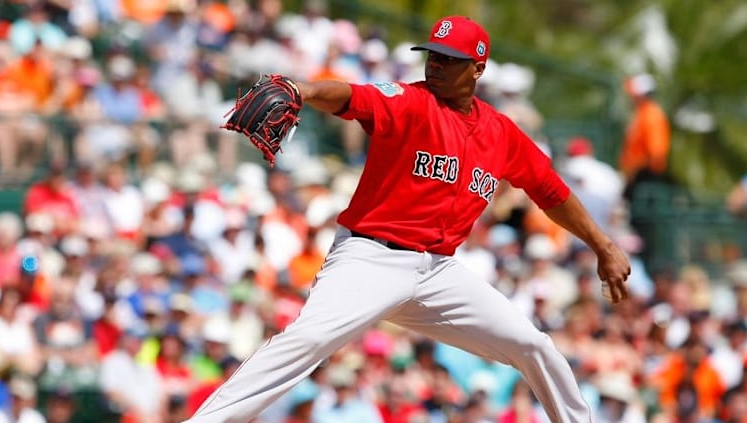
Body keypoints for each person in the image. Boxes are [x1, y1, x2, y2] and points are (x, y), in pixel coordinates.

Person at [183, 15, 631, 423]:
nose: (436, 64)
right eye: (433, 55)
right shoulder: (410, 103)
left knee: (533, 346)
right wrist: (304, 90)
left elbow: (551, 192)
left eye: (450, 59)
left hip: (438, 273)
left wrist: (603, 245)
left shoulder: (501, 133)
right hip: (370, 257)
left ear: (478, 68)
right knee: (309, 339)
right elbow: (352, 97)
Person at [618, 73, 671, 201]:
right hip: (637, 178)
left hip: (645, 179)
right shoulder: (642, 114)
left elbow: (656, 155)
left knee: (642, 219)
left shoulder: (652, 115)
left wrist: (633, 171)